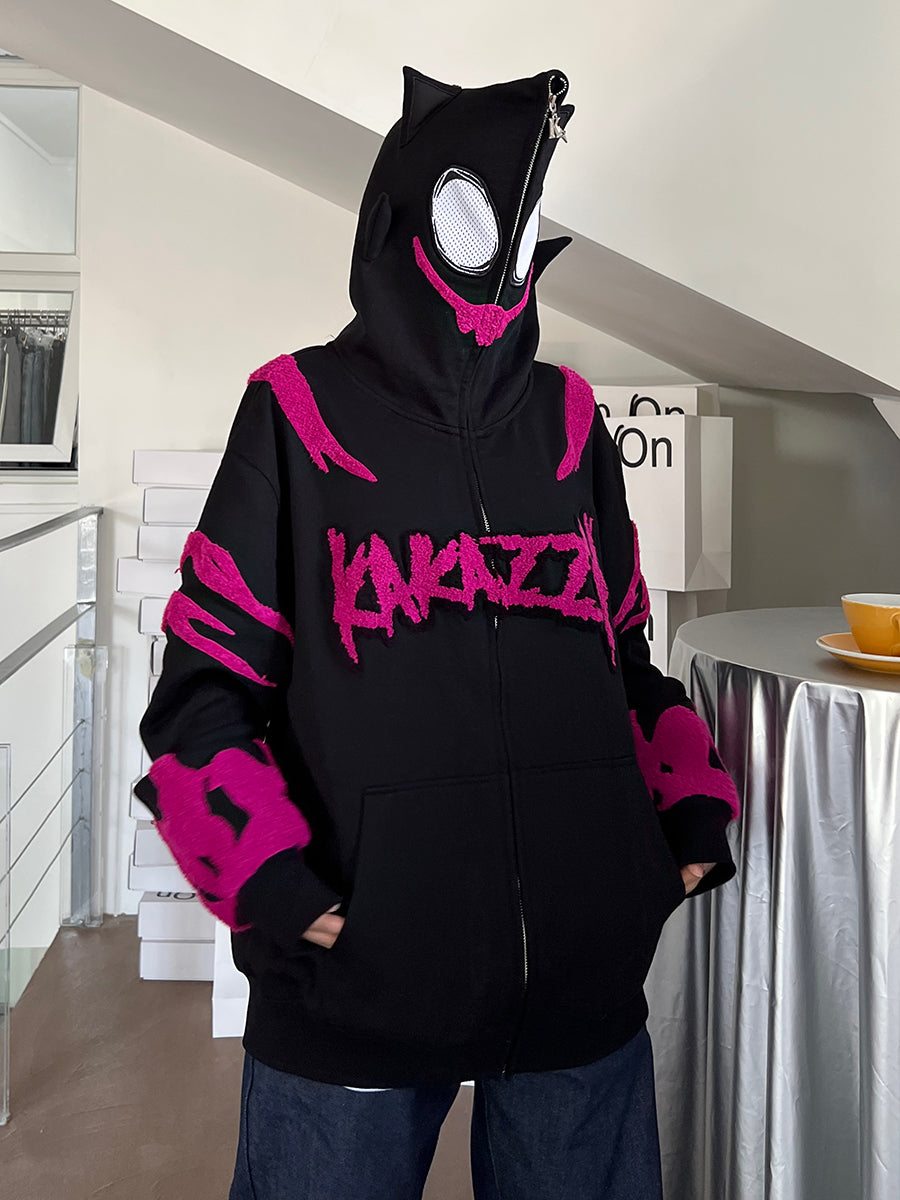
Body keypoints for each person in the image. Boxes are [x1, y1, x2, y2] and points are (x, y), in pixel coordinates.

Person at [134, 65, 741, 1200]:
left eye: (523, 209)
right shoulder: (297, 411)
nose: (501, 242)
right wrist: (280, 888)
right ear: (413, 213)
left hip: (577, 979)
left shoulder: (569, 421)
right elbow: (203, 690)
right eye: (478, 204)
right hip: (354, 990)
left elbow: (621, 658)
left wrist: (683, 817)